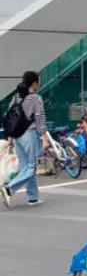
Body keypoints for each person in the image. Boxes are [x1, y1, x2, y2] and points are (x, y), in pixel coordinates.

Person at [2, 71, 46, 208]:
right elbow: (39, 118)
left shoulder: (16, 97)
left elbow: (9, 117)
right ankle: (9, 188)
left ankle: (33, 198)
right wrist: (44, 138)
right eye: (39, 81)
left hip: (17, 136)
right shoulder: (35, 98)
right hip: (29, 135)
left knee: (26, 166)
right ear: (34, 83)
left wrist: (10, 136)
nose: (40, 84)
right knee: (31, 167)